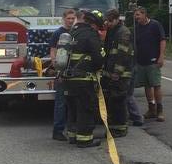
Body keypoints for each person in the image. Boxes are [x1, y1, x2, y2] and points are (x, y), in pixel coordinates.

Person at [64, 9, 105, 148]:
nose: (97, 29)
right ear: (92, 23)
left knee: (73, 108)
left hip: (68, 78)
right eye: (97, 26)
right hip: (83, 79)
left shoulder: (72, 32)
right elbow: (98, 59)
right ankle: (84, 139)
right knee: (86, 108)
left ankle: (73, 136)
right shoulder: (91, 35)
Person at [101, 9, 134, 138]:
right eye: (106, 21)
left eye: (110, 21)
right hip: (110, 73)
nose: (107, 23)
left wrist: (117, 72)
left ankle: (121, 128)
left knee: (119, 101)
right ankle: (113, 127)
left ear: (116, 19)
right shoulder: (112, 31)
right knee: (112, 101)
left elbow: (123, 54)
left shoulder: (123, 32)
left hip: (121, 74)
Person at [133, 7, 166, 121]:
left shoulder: (155, 25)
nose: (136, 17)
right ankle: (151, 109)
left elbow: (162, 40)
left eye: (138, 15)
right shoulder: (136, 28)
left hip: (153, 60)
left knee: (156, 84)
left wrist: (161, 56)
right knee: (147, 86)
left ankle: (160, 110)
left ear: (144, 14)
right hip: (141, 61)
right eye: (135, 15)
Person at [49, 9, 77, 141]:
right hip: (61, 72)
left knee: (73, 102)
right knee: (60, 103)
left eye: (73, 18)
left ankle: (73, 129)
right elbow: (53, 51)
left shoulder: (76, 32)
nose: (71, 21)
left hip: (74, 72)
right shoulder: (58, 33)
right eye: (69, 18)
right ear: (64, 19)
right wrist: (56, 66)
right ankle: (58, 131)